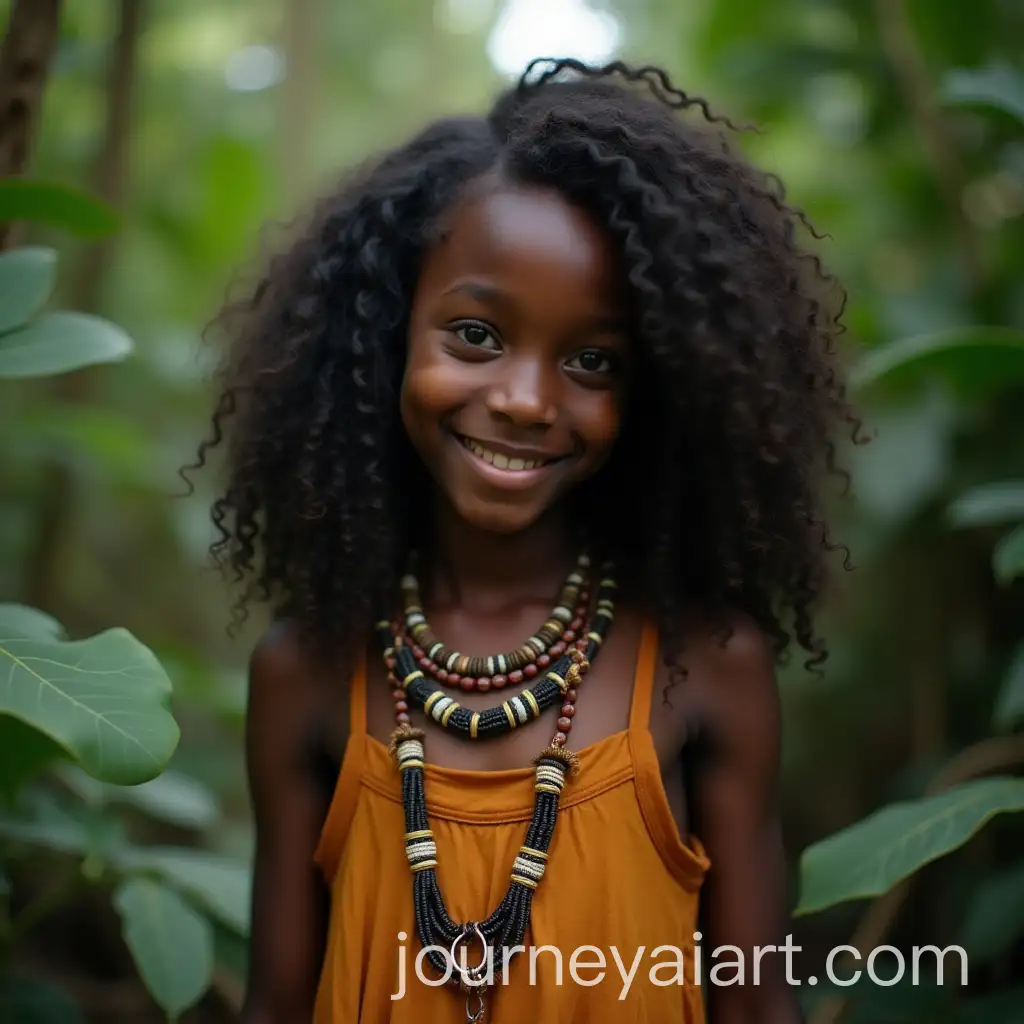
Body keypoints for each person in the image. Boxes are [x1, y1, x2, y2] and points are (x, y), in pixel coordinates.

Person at [192, 57, 858, 1024]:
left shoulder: (708, 668)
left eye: (592, 360)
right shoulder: (307, 673)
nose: (526, 399)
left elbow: (756, 1007)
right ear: (385, 339)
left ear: (658, 392)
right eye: (475, 334)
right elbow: (276, 1006)